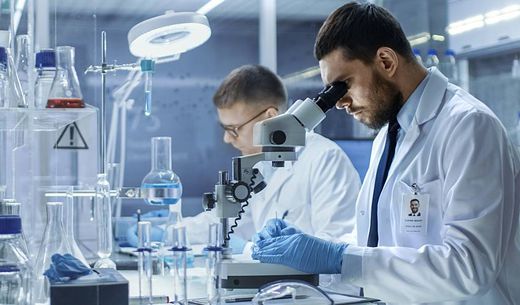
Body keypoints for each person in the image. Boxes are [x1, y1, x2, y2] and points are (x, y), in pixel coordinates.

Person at [252, 2, 520, 305]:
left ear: (386, 61)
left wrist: (337, 257)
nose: (339, 103)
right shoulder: (387, 136)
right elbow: (375, 245)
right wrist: (313, 249)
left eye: (343, 86)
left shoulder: (468, 125)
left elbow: (468, 268)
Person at [127, 65, 361, 250]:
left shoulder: (325, 160)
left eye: (234, 129)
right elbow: (226, 223)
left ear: (269, 117)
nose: (227, 140)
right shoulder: (261, 165)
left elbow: (338, 250)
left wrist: (251, 250)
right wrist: (167, 231)